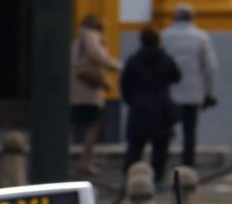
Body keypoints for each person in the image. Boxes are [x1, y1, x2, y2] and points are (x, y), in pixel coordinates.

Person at [160, 4, 220, 170]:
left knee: (166, 133)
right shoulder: (200, 37)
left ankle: (162, 164)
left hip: (169, 93)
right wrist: (210, 93)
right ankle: (188, 165)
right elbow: (210, 67)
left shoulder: (164, 36)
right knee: (190, 133)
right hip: (193, 92)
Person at [120, 28, 182, 183]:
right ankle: (157, 178)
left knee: (135, 146)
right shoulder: (165, 58)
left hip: (139, 107)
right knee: (160, 148)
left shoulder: (134, 60)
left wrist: (132, 100)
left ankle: (130, 177)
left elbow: (125, 84)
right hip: (161, 108)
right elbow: (177, 76)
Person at [69, 14, 121, 176]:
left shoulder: (79, 38)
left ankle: (84, 161)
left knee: (81, 124)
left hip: (78, 90)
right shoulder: (91, 36)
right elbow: (98, 56)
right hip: (88, 91)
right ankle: (85, 162)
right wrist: (118, 66)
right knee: (93, 126)